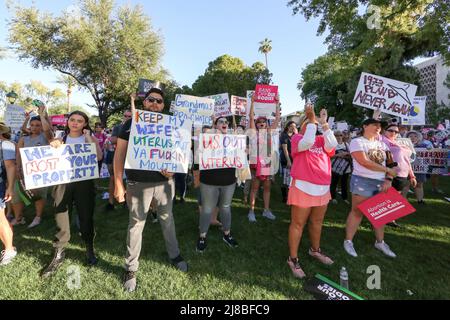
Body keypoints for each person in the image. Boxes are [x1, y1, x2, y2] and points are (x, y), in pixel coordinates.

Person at [114, 88, 188, 293]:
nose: (154, 103)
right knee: (136, 224)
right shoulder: (131, 124)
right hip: (137, 183)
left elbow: (179, 154)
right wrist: (119, 183)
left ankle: (175, 255)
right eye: (151, 100)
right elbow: (119, 155)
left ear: (163, 105)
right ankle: (131, 268)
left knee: (167, 218)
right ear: (144, 103)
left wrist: (172, 172)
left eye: (159, 101)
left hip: (164, 184)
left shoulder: (171, 125)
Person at [40, 111, 103, 278]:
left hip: (84, 183)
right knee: (61, 215)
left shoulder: (90, 138)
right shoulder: (60, 137)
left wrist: (89, 138)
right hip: (63, 183)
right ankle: (59, 253)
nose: (75, 123)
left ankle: (89, 249)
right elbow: (48, 136)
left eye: (80, 121)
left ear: (85, 124)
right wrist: (53, 145)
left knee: (86, 216)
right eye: (73, 120)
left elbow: (98, 156)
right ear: (68, 122)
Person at [286, 105, 337, 278]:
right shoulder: (297, 139)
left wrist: (325, 124)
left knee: (317, 222)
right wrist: (312, 121)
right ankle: (292, 259)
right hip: (303, 187)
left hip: (323, 188)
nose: (313, 124)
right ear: (303, 125)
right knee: (298, 224)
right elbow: (307, 142)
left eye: (313, 122)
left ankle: (315, 250)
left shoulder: (322, 140)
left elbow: (333, 144)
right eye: (309, 122)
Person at [343, 118, 398, 259]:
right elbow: (364, 161)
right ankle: (348, 241)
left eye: (380, 126)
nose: (378, 128)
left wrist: (389, 179)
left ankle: (380, 242)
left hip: (381, 182)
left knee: (380, 214)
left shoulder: (382, 144)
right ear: (365, 126)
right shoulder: (357, 142)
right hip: (362, 181)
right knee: (357, 212)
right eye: (375, 125)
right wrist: (387, 170)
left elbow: (392, 164)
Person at [194, 117, 239, 253]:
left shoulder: (234, 139)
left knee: (225, 207)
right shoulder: (206, 139)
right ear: (215, 125)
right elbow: (197, 157)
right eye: (221, 121)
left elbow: (240, 157)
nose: (224, 123)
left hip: (228, 181)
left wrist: (244, 152)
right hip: (209, 181)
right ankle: (202, 237)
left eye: (226, 122)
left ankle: (227, 234)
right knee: (207, 209)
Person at [12, 106, 54, 229]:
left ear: (42, 126)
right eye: (33, 125)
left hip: (40, 172)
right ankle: (18, 217)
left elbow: (48, 130)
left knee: (38, 195)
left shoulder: (45, 137)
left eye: (38, 125)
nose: (35, 127)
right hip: (23, 171)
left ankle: (38, 217)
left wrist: (42, 115)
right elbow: (18, 154)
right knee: (16, 194)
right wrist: (18, 168)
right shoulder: (24, 139)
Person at [247, 95, 281, 222]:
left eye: (263, 122)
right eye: (259, 123)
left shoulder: (270, 132)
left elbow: (277, 118)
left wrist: (277, 103)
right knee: (254, 188)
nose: (261, 124)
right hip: (256, 164)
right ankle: (251, 211)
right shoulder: (253, 133)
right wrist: (252, 101)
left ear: (267, 125)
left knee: (267, 188)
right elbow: (251, 117)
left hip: (267, 163)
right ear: (256, 124)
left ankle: (266, 210)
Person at [381, 123, 417, 228]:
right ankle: (382, 219)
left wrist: (412, 175)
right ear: (384, 131)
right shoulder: (382, 140)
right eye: (391, 130)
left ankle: (390, 219)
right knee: (386, 197)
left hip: (403, 174)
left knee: (394, 198)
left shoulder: (400, 143)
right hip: (390, 174)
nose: (393, 133)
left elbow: (407, 161)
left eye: (396, 131)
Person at [104, 110, 132, 211]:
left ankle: (127, 201)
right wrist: (126, 137)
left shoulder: (137, 126)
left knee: (130, 180)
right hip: (118, 155)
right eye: (125, 115)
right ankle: (111, 202)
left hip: (131, 157)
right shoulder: (118, 127)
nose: (127, 117)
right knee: (113, 178)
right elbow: (112, 140)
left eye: (130, 116)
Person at [0, 123, 17, 266]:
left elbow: (11, 166)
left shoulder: (6, 144)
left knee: (0, 219)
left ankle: (9, 249)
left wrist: (10, 187)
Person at [406, 130, 433, 204]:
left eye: (415, 136)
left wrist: (429, 149)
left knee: (419, 184)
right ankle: (402, 201)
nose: (413, 138)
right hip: (407, 168)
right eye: (410, 136)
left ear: (419, 138)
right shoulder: (404, 146)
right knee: (406, 184)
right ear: (407, 138)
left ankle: (420, 200)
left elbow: (431, 151)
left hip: (420, 168)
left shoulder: (423, 146)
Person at [330, 130, 352, 205]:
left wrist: (346, 154)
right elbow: (328, 156)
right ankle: (333, 197)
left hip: (346, 168)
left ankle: (344, 197)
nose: (339, 137)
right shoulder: (332, 145)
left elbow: (351, 154)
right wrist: (338, 155)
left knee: (344, 183)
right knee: (334, 183)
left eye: (340, 135)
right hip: (334, 168)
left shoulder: (346, 145)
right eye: (336, 135)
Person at [280, 121, 297, 203]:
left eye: (294, 126)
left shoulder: (295, 136)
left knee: (292, 179)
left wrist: (297, 135)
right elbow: (285, 149)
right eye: (291, 126)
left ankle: (290, 196)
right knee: (286, 179)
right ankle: (285, 197)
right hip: (286, 160)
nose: (293, 128)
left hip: (295, 160)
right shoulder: (284, 136)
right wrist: (288, 161)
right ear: (287, 127)